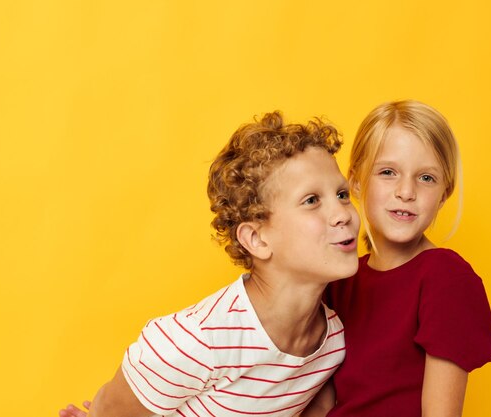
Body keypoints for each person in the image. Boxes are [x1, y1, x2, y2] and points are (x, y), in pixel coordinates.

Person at [58, 111, 360, 417]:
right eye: (311, 200)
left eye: (342, 194)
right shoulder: (195, 341)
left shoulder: (332, 343)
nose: (343, 214)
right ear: (256, 239)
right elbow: (109, 411)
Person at [305, 100, 491, 417]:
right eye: (388, 172)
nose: (406, 191)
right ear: (355, 182)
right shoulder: (339, 280)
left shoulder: (445, 278)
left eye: (426, 178)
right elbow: (320, 400)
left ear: (444, 194)